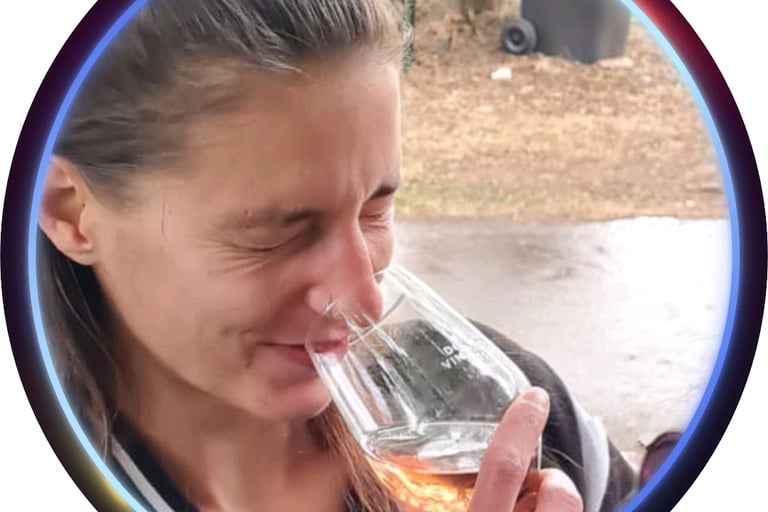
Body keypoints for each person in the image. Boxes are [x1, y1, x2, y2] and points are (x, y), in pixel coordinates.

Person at [36, 1, 636, 511]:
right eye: (275, 234)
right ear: (69, 211)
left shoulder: (518, 431)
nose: (364, 299)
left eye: (375, 210)